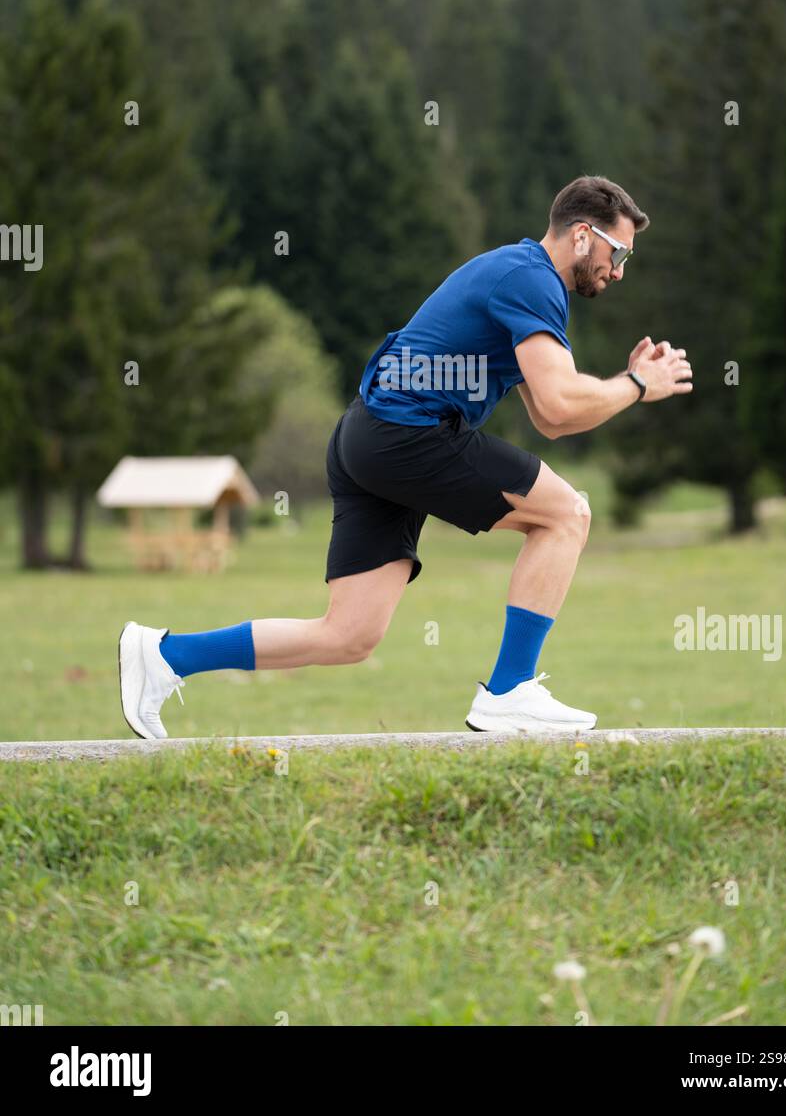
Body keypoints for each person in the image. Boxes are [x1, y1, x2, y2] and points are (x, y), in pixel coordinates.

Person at [118, 175, 692, 739]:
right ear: (584, 234)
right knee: (567, 514)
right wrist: (637, 385)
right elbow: (563, 405)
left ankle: (164, 655)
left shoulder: (518, 274)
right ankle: (510, 690)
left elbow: (549, 417)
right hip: (405, 435)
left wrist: (626, 383)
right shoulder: (532, 280)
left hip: (367, 437)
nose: (618, 271)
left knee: (349, 635)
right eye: (618, 253)